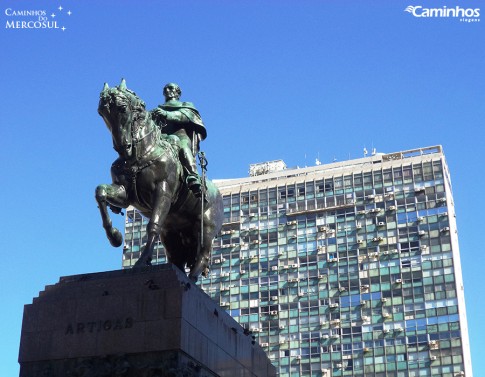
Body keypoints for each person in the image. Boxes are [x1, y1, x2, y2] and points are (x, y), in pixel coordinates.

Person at [151, 83, 207, 197]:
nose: (167, 90)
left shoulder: (185, 105)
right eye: (165, 88)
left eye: (171, 88)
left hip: (180, 137)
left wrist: (166, 114)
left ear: (178, 92)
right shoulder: (157, 109)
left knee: (184, 149)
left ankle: (193, 176)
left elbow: (185, 117)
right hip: (161, 138)